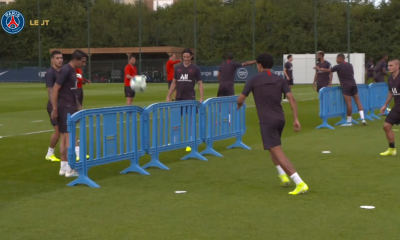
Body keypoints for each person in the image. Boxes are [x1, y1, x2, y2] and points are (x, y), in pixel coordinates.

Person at [237, 53, 309, 195]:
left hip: (267, 121)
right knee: (272, 148)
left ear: (259, 65)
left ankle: (299, 182)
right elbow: (292, 99)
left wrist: (238, 105)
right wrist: (296, 119)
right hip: (279, 119)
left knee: (277, 152)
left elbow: (240, 99)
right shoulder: (279, 79)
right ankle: (282, 176)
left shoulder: (253, 80)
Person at [51, 49, 88, 177]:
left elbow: (72, 91)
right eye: (82, 62)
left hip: (69, 106)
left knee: (64, 137)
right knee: (70, 137)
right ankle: (71, 168)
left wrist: (78, 106)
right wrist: (55, 109)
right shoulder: (66, 70)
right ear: (75, 60)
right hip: (64, 107)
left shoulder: (72, 71)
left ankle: (64, 167)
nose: (84, 64)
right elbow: (55, 89)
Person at [315, 53, 367, 126]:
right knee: (358, 101)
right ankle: (363, 119)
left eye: (337, 59)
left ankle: (349, 121)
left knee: (349, 103)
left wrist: (319, 69)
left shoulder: (338, 66)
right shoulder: (350, 65)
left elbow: (328, 70)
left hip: (346, 86)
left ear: (339, 59)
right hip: (353, 84)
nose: (336, 60)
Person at [44, 50, 63, 162]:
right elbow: (50, 91)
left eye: (61, 58)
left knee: (64, 130)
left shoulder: (62, 72)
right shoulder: (50, 73)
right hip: (54, 105)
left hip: (62, 104)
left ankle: (75, 151)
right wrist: (54, 108)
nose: (60, 60)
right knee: (59, 131)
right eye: (57, 58)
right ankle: (50, 153)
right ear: (52, 60)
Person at [380, 59, 400, 156]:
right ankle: (392, 149)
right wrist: (385, 105)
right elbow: (391, 92)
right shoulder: (390, 78)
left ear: (397, 66)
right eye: (388, 65)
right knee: (386, 126)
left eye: (391, 65)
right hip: (397, 107)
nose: (389, 67)